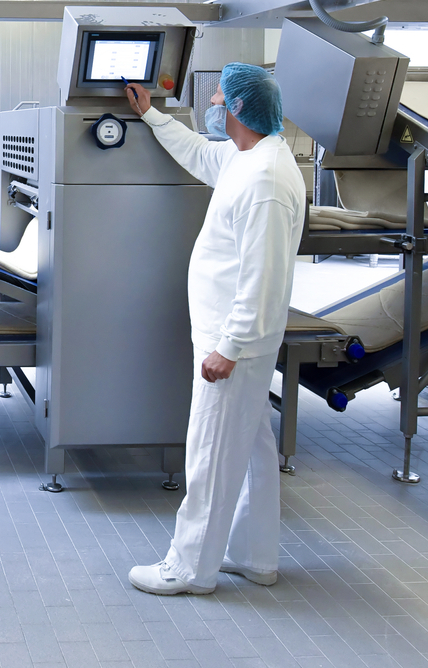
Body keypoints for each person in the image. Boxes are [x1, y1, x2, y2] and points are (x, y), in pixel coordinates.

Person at [123, 63, 306, 596]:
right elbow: (200, 154)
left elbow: (263, 276)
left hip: (235, 344)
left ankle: (189, 569)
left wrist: (229, 346)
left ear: (239, 109)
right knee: (249, 448)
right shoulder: (248, 158)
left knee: (209, 450)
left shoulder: (267, 180)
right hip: (233, 338)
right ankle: (253, 555)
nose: (213, 106)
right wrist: (152, 115)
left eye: (220, 99)